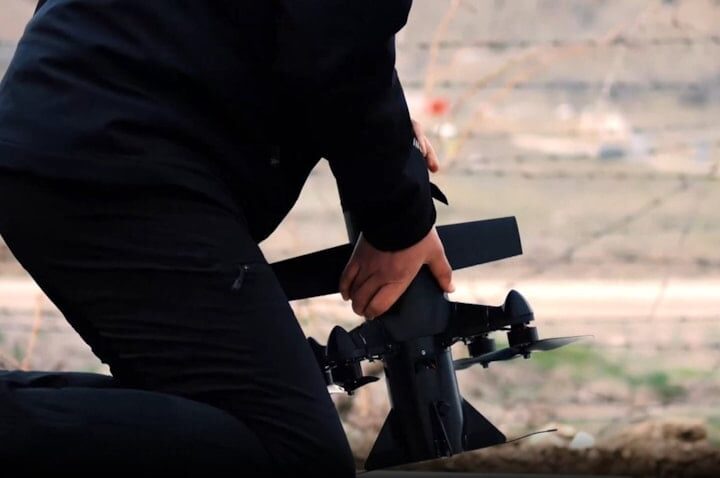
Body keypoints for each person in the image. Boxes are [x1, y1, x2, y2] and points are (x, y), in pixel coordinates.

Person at [0, 0, 454, 475]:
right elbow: (338, 49)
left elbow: (324, 39)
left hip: (74, 128)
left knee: (210, 424)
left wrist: (390, 148)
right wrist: (400, 223)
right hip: (121, 165)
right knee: (293, 453)